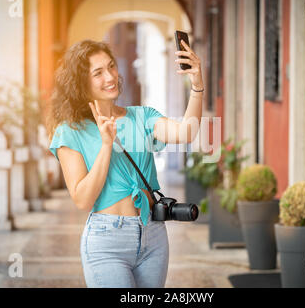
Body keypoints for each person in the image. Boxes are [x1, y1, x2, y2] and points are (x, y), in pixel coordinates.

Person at [46, 39, 204, 288]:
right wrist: (106, 145)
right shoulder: (70, 132)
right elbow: (82, 199)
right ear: (80, 83)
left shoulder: (142, 116)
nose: (109, 77)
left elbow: (186, 132)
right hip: (107, 242)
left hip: (153, 235)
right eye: (97, 73)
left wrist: (197, 85)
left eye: (111, 66)